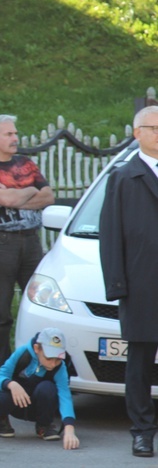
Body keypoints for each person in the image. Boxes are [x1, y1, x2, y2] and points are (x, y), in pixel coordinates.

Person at [0, 115, 54, 374]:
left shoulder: (26, 163)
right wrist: (30, 191)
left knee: (41, 305)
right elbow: (4, 200)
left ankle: (42, 365)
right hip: (1, 243)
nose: (15, 138)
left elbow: (49, 196)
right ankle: (2, 369)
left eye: (15, 133)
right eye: (9, 134)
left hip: (31, 241)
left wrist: (19, 195)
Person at [99, 105, 158, 457]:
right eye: (154, 127)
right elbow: (111, 235)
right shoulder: (123, 177)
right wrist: (118, 284)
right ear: (137, 133)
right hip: (142, 284)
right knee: (140, 360)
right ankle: (142, 430)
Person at [0, 328, 79, 450]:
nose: (53, 364)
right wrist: (11, 384)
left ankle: (44, 425)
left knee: (48, 388)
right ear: (37, 349)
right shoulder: (23, 353)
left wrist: (69, 430)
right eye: (49, 358)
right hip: (16, 403)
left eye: (58, 359)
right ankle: (0, 418)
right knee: (5, 392)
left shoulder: (60, 368)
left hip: (38, 407)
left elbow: (65, 395)